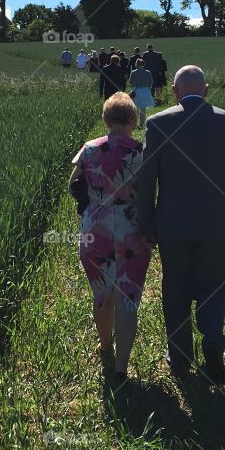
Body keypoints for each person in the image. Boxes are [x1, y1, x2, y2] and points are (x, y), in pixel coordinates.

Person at [137, 65, 225, 388]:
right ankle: (213, 340)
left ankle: (180, 360)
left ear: (173, 92)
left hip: (173, 226)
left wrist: (146, 222)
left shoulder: (158, 123)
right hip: (217, 223)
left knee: (176, 291)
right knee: (213, 286)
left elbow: (148, 179)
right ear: (207, 90)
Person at [69, 92, 153, 379]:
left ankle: (105, 346)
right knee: (128, 297)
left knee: (102, 293)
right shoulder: (141, 151)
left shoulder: (89, 149)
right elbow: (149, 193)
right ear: (133, 119)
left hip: (95, 228)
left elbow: (74, 183)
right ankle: (121, 368)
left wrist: (90, 205)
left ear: (106, 119)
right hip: (131, 229)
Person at [127, 57, 156, 127]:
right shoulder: (148, 72)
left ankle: (135, 124)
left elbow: (130, 82)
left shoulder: (133, 72)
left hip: (135, 91)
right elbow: (151, 82)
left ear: (136, 64)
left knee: (135, 109)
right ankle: (141, 124)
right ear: (143, 64)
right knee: (143, 109)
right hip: (145, 91)